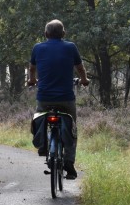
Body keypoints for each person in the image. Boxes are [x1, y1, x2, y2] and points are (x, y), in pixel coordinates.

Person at [27, 19, 89, 179]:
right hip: (66, 99)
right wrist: (84, 80)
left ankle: (42, 144)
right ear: (63, 33)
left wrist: (31, 80)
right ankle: (69, 162)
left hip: (44, 98)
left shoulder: (38, 48)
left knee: (39, 117)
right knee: (72, 128)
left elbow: (32, 68)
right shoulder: (70, 47)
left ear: (46, 34)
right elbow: (80, 68)